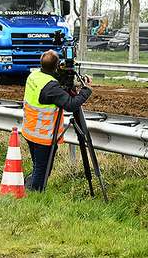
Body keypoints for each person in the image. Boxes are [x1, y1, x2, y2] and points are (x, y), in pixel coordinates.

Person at [22, 50, 93, 192]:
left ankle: (28, 185)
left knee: (38, 166)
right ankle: (34, 194)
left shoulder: (34, 76)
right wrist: (86, 90)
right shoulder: (51, 87)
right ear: (55, 67)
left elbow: (51, 81)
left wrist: (59, 70)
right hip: (43, 135)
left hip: (29, 130)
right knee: (42, 170)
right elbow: (71, 105)